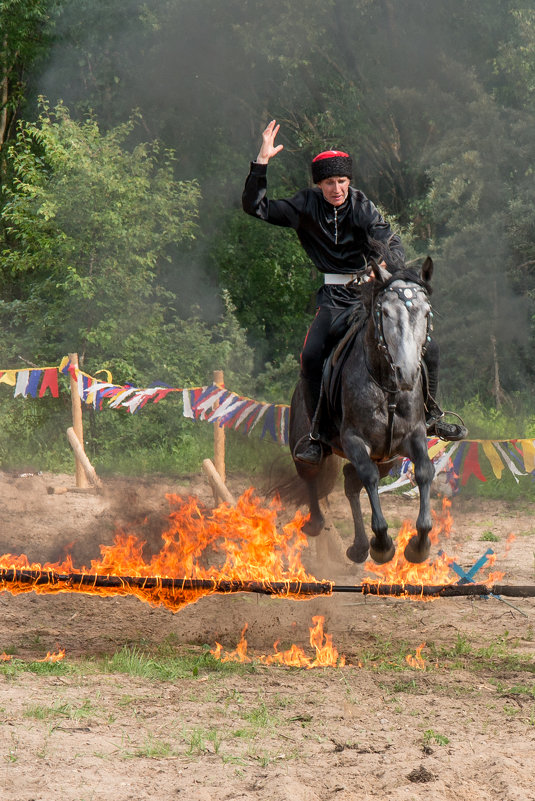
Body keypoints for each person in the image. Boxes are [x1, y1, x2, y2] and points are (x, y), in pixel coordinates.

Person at [242, 120, 467, 464]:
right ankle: (317, 435)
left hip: (369, 297)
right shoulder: (305, 205)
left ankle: (432, 414)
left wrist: (380, 272)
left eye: (342, 181)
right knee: (311, 354)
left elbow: (391, 243)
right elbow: (255, 207)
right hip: (333, 301)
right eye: (330, 182)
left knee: (430, 347)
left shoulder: (362, 206)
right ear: (319, 184)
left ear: (350, 182)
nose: (337, 189)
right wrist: (261, 162)